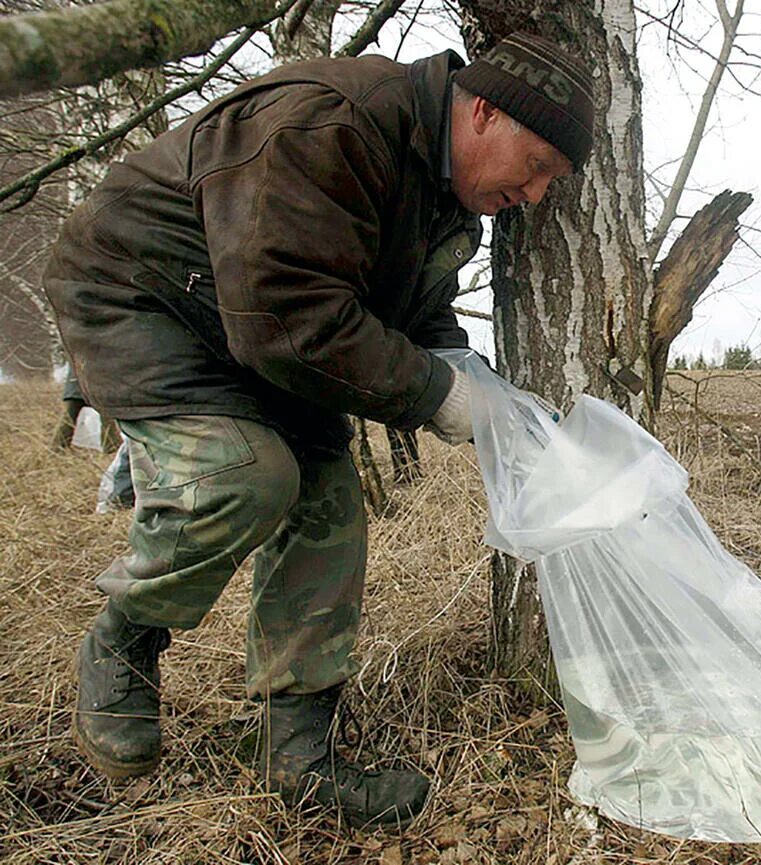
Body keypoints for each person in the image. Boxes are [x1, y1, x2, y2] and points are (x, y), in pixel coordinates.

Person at [42, 32, 595, 826]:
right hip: (147, 297)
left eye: (552, 180)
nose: (536, 194)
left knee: (329, 503)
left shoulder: (447, 194)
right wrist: (436, 394)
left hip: (255, 324)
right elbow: (286, 312)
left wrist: (473, 380)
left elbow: (410, 309)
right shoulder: (333, 125)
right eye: (537, 166)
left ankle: (293, 747)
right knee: (244, 476)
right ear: (483, 113)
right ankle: (125, 637)